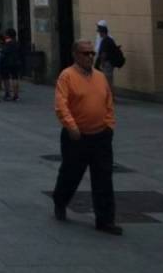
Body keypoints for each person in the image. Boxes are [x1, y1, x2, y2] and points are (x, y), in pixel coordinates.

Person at [52, 39, 121, 236]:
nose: (90, 56)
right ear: (75, 55)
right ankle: (60, 201)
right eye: (86, 53)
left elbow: (108, 102)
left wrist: (109, 126)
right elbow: (61, 105)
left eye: (92, 53)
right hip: (76, 137)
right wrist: (72, 127)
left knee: (103, 178)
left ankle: (105, 220)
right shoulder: (67, 76)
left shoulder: (100, 77)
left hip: (101, 135)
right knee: (71, 174)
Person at [94, 20, 122, 86]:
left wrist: (102, 64)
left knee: (107, 83)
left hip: (106, 63)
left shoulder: (106, 40)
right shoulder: (103, 38)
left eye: (99, 31)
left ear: (102, 31)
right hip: (104, 62)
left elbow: (104, 54)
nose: (98, 33)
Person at [0, 28, 21, 101]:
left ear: (8, 35)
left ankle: (7, 94)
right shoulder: (17, 43)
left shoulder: (7, 43)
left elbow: (4, 52)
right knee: (15, 78)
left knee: (6, 78)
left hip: (7, 63)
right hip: (16, 62)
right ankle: (16, 95)